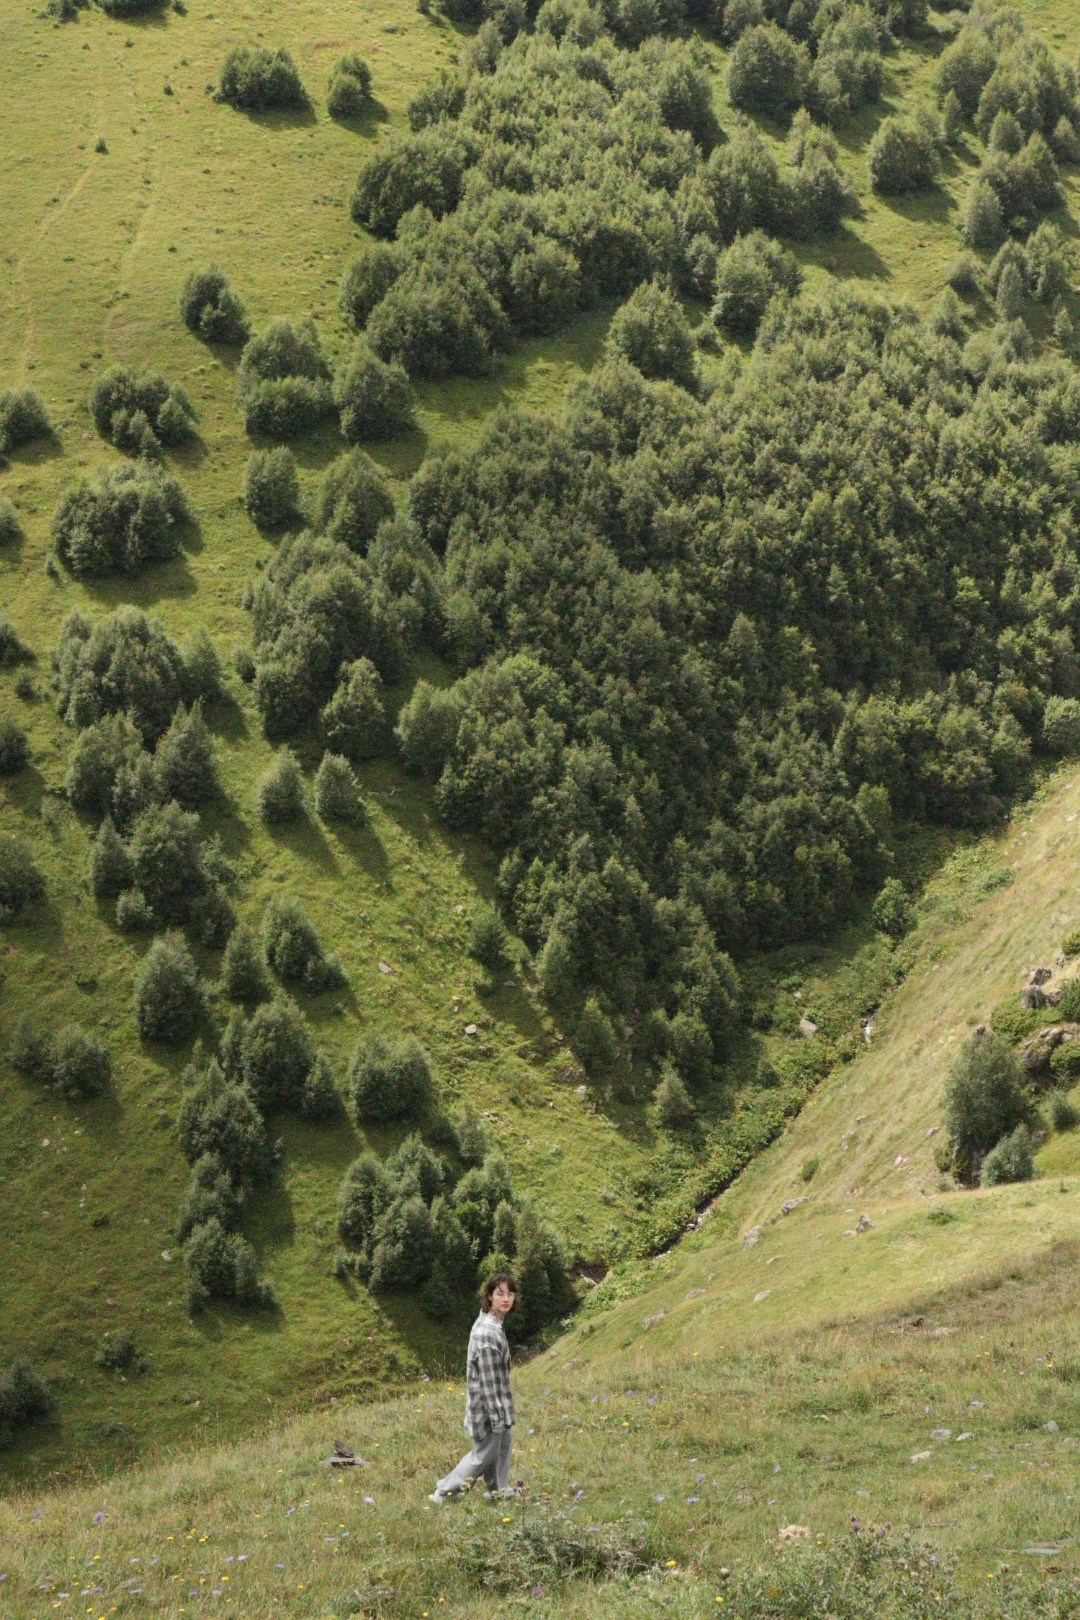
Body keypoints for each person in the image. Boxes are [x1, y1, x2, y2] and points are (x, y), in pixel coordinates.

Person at [429, 1272, 518, 1503]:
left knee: (500, 1449)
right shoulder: (487, 1333)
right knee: (483, 1455)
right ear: (489, 1296)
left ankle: (499, 1491)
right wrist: (497, 1415)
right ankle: (445, 1493)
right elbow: (488, 1382)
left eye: (510, 1293)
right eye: (500, 1294)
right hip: (489, 1408)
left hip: (497, 1404)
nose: (506, 1298)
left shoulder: (491, 1322)